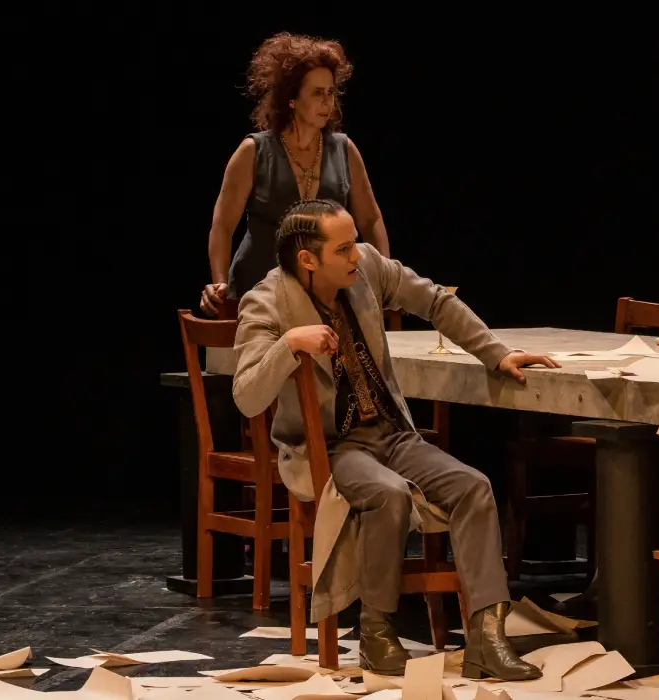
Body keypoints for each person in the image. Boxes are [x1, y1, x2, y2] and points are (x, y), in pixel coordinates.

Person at [232, 199, 560, 678]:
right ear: (307, 259)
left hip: (389, 432)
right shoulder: (267, 302)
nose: (356, 255)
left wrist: (497, 353)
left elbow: (436, 301)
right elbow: (246, 395)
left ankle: (487, 639)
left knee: (473, 487)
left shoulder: (367, 268)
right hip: (331, 446)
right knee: (389, 494)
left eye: (354, 244)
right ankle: (377, 632)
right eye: (343, 249)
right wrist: (289, 343)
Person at [200, 32, 391, 317]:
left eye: (331, 92)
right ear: (291, 98)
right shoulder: (254, 151)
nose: (327, 102)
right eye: (317, 93)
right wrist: (219, 282)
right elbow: (223, 225)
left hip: (325, 294)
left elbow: (370, 219)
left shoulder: (344, 150)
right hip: (259, 291)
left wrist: (385, 275)